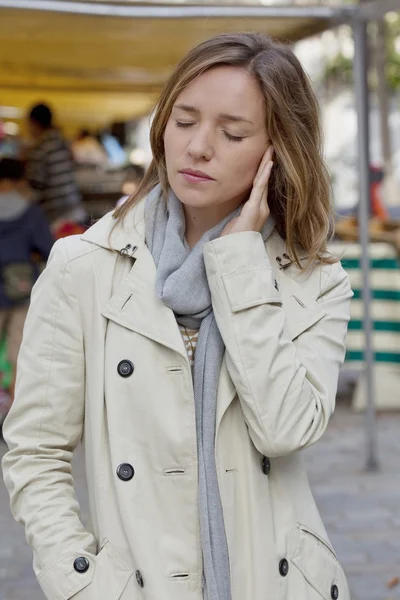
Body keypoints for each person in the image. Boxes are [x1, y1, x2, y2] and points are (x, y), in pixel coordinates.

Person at [2, 33, 353, 600]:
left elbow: (285, 430)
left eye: (233, 132)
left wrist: (239, 266)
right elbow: (35, 449)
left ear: (278, 149)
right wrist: (82, 581)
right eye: (184, 121)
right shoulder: (82, 269)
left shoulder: (313, 281)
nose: (198, 147)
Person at [0, 158, 53, 415]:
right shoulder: (31, 211)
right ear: (21, 179)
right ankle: (12, 410)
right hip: (20, 287)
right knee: (18, 349)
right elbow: (47, 247)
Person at [25, 103, 87, 228]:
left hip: (55, 218)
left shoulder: (39, 148)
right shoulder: (64, 142)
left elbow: (36, 188)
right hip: (75, 209)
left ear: (34, 123)